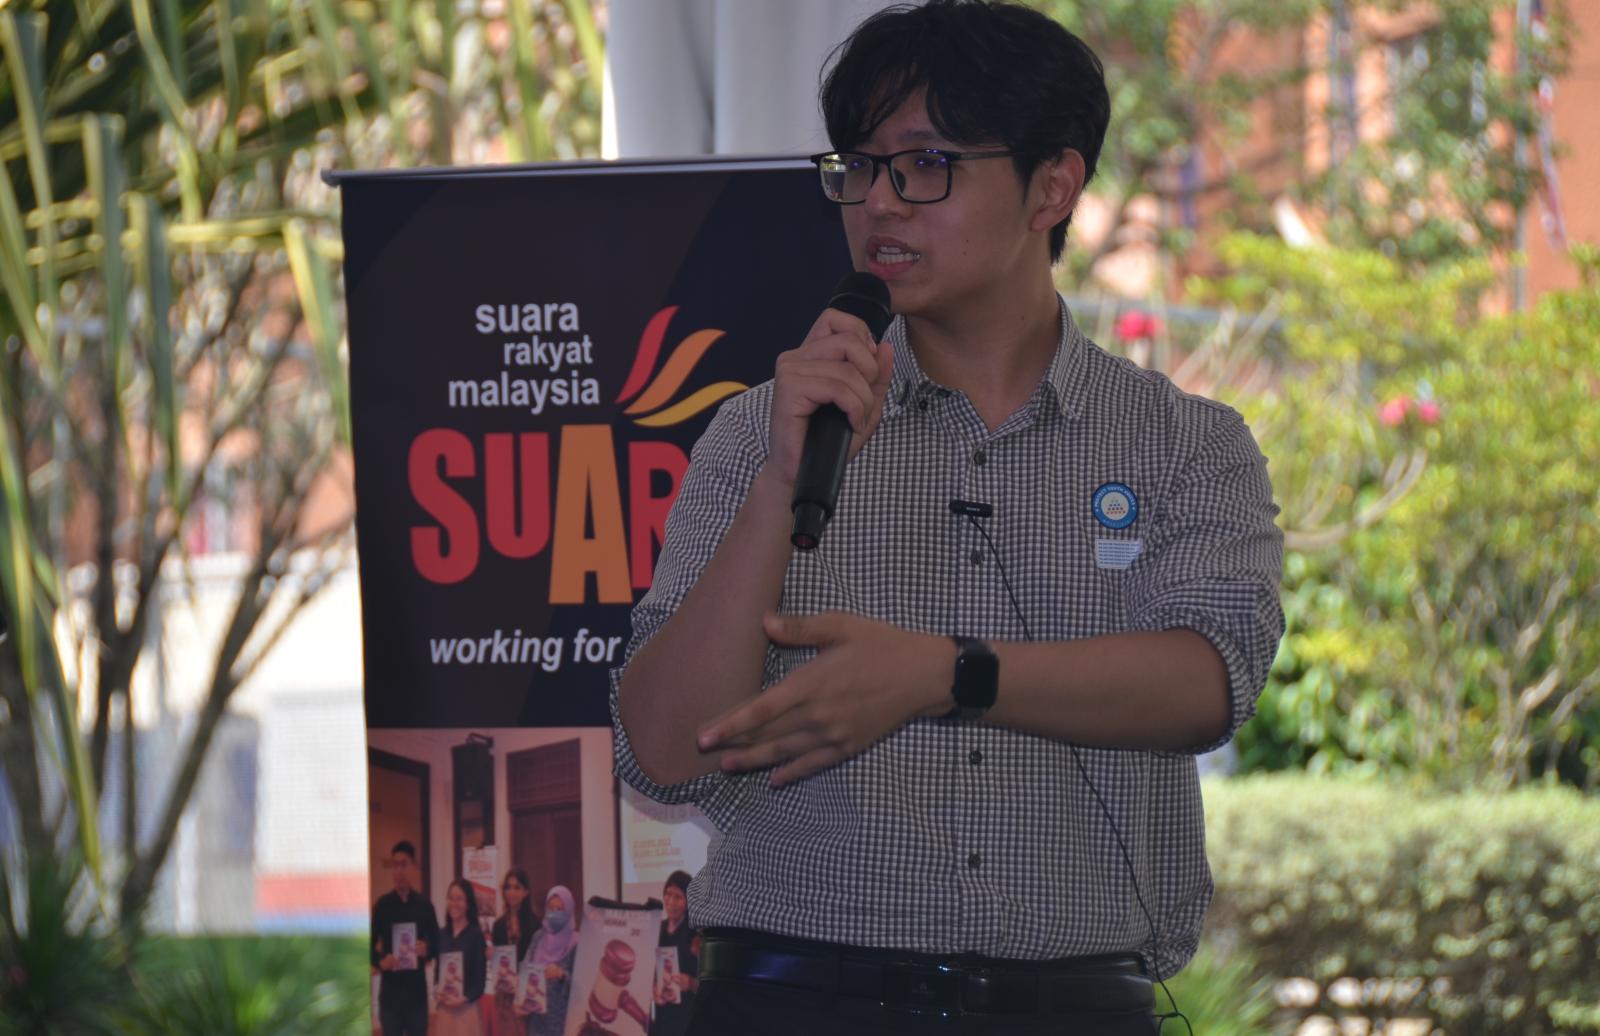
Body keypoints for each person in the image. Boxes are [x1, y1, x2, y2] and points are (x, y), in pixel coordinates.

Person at [609, 2, 1284, 1034]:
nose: (879, 202)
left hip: (1070, 1010)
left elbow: (1208, 681)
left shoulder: (1184, 443)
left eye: (925, 165)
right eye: (858, 167)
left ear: (1051, 186)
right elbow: (662, 746)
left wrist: (945, 673)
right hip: (792, 1002)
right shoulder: (763, 429)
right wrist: (779, 483)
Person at [371, 841, 440, 1036]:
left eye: (403, 864)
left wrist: (426, 949)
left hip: (416, 996)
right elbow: (367, 946)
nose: (399, 871)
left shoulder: (424, 905)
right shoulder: (382, 906)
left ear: (413, 867)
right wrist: (380, 962)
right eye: (395, 865)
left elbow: (437, 942)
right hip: (390, 997)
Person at [519, 886, 578, 1036]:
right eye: (551, 908)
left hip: (562, 1024)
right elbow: (525, 966)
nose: (554, 913)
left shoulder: (576, 943)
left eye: (560, 909)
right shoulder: (538, 937)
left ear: (569, 911)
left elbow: (580, 986)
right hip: (535, 1021)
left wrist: (562, 974)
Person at [433, 879, 488, 1036]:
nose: (454, 903)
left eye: (459, 899)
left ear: (468, 903)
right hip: (444, 1010)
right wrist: (437, 990)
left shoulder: (476, 935)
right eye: (451, 898)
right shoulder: (441, 935)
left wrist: (463, 999)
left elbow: (480, 982)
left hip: (467, 1011)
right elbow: (437, 975)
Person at [489, 868, 540, 1036]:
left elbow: (537, 961)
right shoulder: (498, 925)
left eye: (517, 887)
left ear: (526, 892)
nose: (512, 892)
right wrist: (491, 956)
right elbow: (497, 964)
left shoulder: (535, 924)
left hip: (527, 993)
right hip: (504, 994)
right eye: (508, 887)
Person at [650, 870, 699, 1036]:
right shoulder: (657, 929)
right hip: (661, 1019)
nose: (671, 902)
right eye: (668, 894)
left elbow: (711, 983)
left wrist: (690, 982)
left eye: (678, 897)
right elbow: (648, 973)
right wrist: (653, 989)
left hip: (687, 1021)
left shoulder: (696, 935)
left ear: (688, 901)